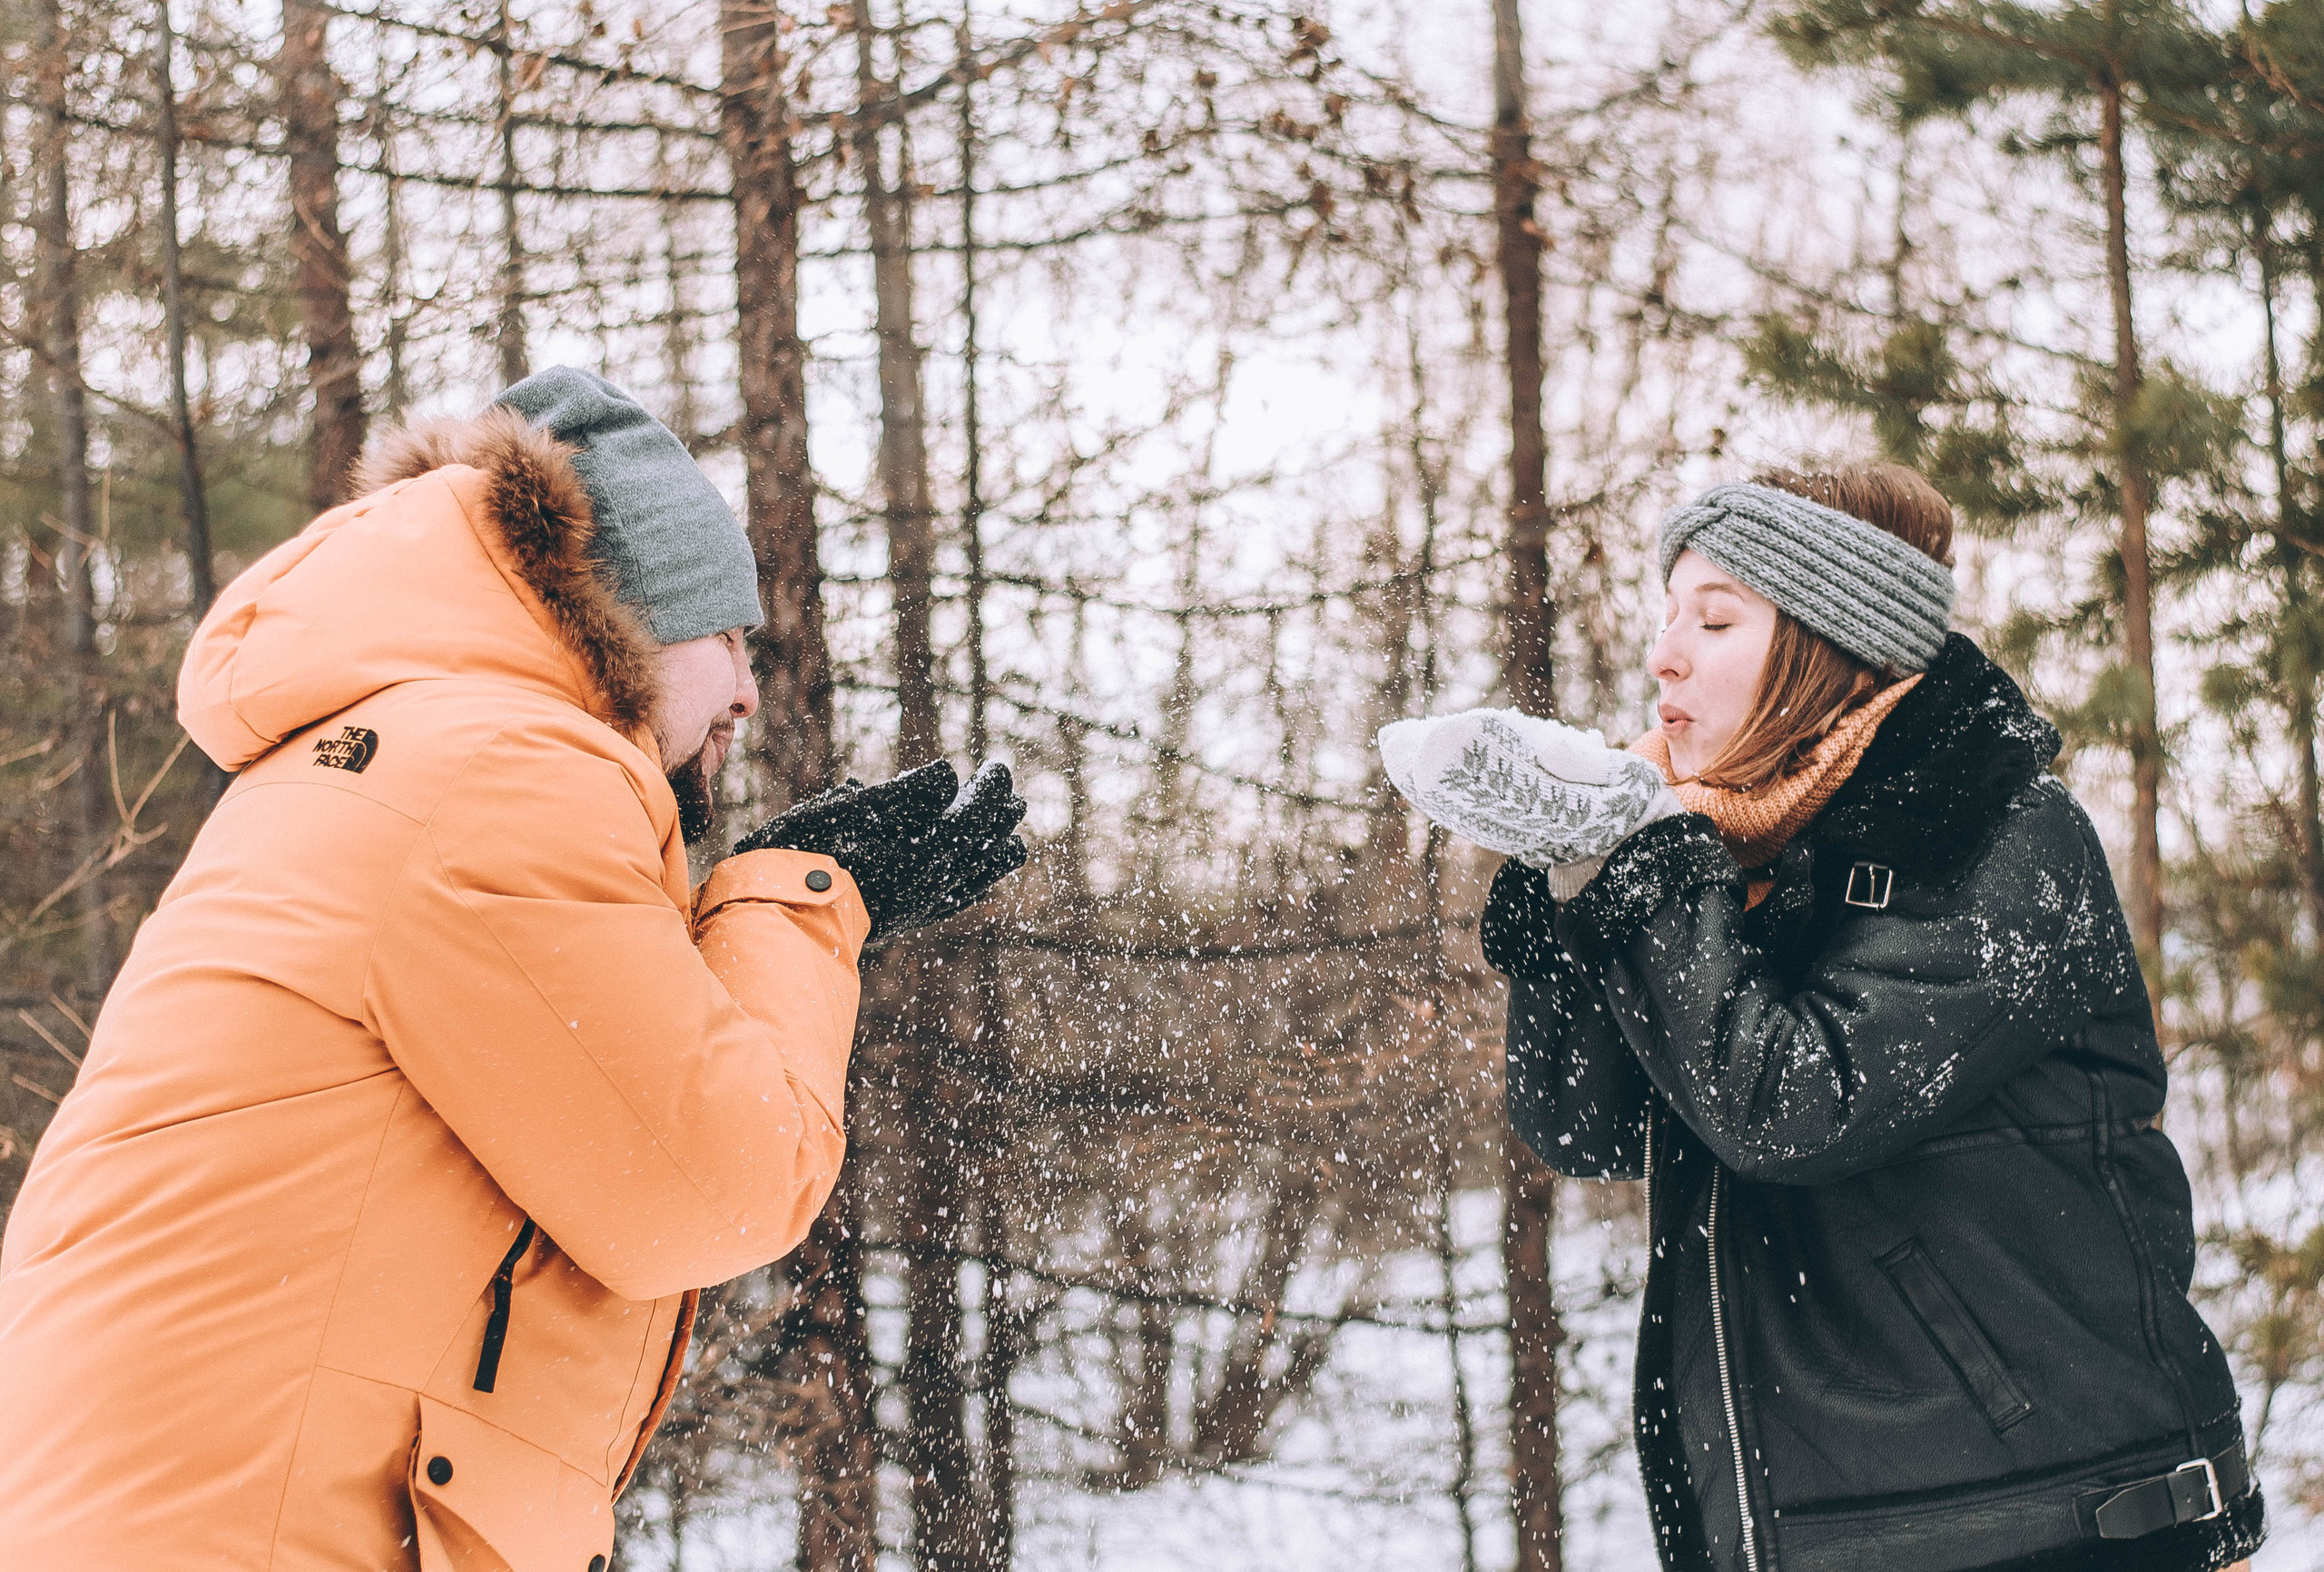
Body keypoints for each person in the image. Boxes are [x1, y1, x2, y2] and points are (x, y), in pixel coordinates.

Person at [0, 367, 1025, 1569]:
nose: (746, 689)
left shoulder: (403, 753)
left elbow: (582, 1086)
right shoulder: (500, 773)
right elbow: (708, 1186)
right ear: (626, 624)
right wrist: (794, 895)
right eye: (727, 634)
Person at [1383, 465, 2263, 1572]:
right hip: (1826, 1534)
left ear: (1825, 646)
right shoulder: (1727, 864)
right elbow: (1580, 1125)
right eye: (1667, 619)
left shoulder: (1995, 837)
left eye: (1714, 618)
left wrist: (1643, 870)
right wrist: (1574, 884)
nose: (1664, 654)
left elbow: (1796, 1107)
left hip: (2067, 1521)